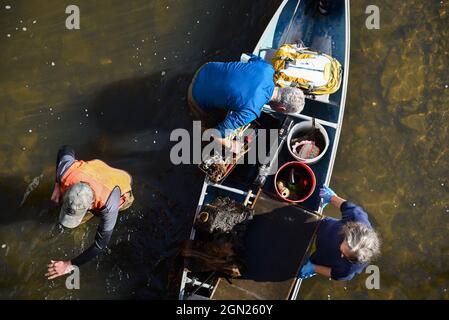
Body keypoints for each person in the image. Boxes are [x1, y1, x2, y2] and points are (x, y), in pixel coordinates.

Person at [45, 145, 134, 280]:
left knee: (115, 211)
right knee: (77, 223)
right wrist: (57, 185)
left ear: (91, 205)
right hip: (96, 174)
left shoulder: (109, 204)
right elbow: (65, 148)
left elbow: (100, 245)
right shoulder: (67, 173)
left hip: (122, 182)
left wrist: (69, 265)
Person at [188, 54, 305, 153]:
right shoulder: (250, 112)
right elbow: (214, 133)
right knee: (210, 125)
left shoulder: (267, 69)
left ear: (283, 87)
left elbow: (246, 56)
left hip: (207, 67)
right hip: (194, 93)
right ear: (282, 109)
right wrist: (231, 145)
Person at [300, 186, 381, 281]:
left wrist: (314, 268)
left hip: (323, 256)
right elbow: (345, 206)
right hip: (324, 227)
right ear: (348, 230)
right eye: (342, 249)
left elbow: (335, 274)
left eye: (345, 255)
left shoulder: (350, 268)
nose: (341, 254)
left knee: (314, 260)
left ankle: (312, 264)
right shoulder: (356, 217)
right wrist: (331, 198)